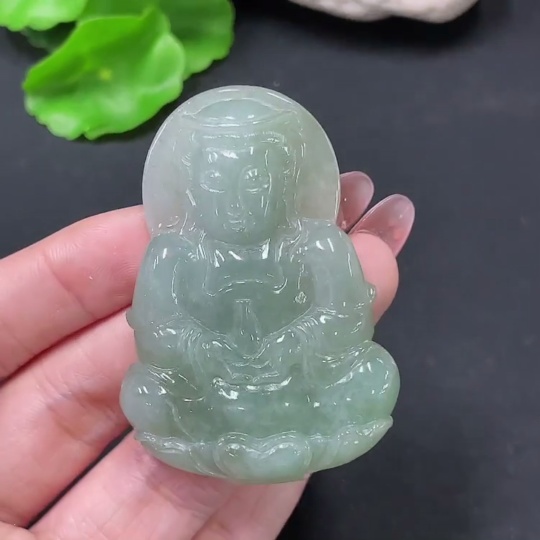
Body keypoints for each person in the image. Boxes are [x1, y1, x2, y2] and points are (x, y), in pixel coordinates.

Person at [0, 172, 414, 540]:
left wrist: (293, 343)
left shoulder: (318, 245)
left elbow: (345, 318)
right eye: (217, 182)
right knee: (145, 393)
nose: (236, 202)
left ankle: (264, 441)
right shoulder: (175, 253)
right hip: (213, 393)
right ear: (194, 190)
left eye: (254, 182)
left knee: (374, 375)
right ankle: (275, 443)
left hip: (298, 386)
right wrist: (207, 349)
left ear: (285, 184)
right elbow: (158, 333)